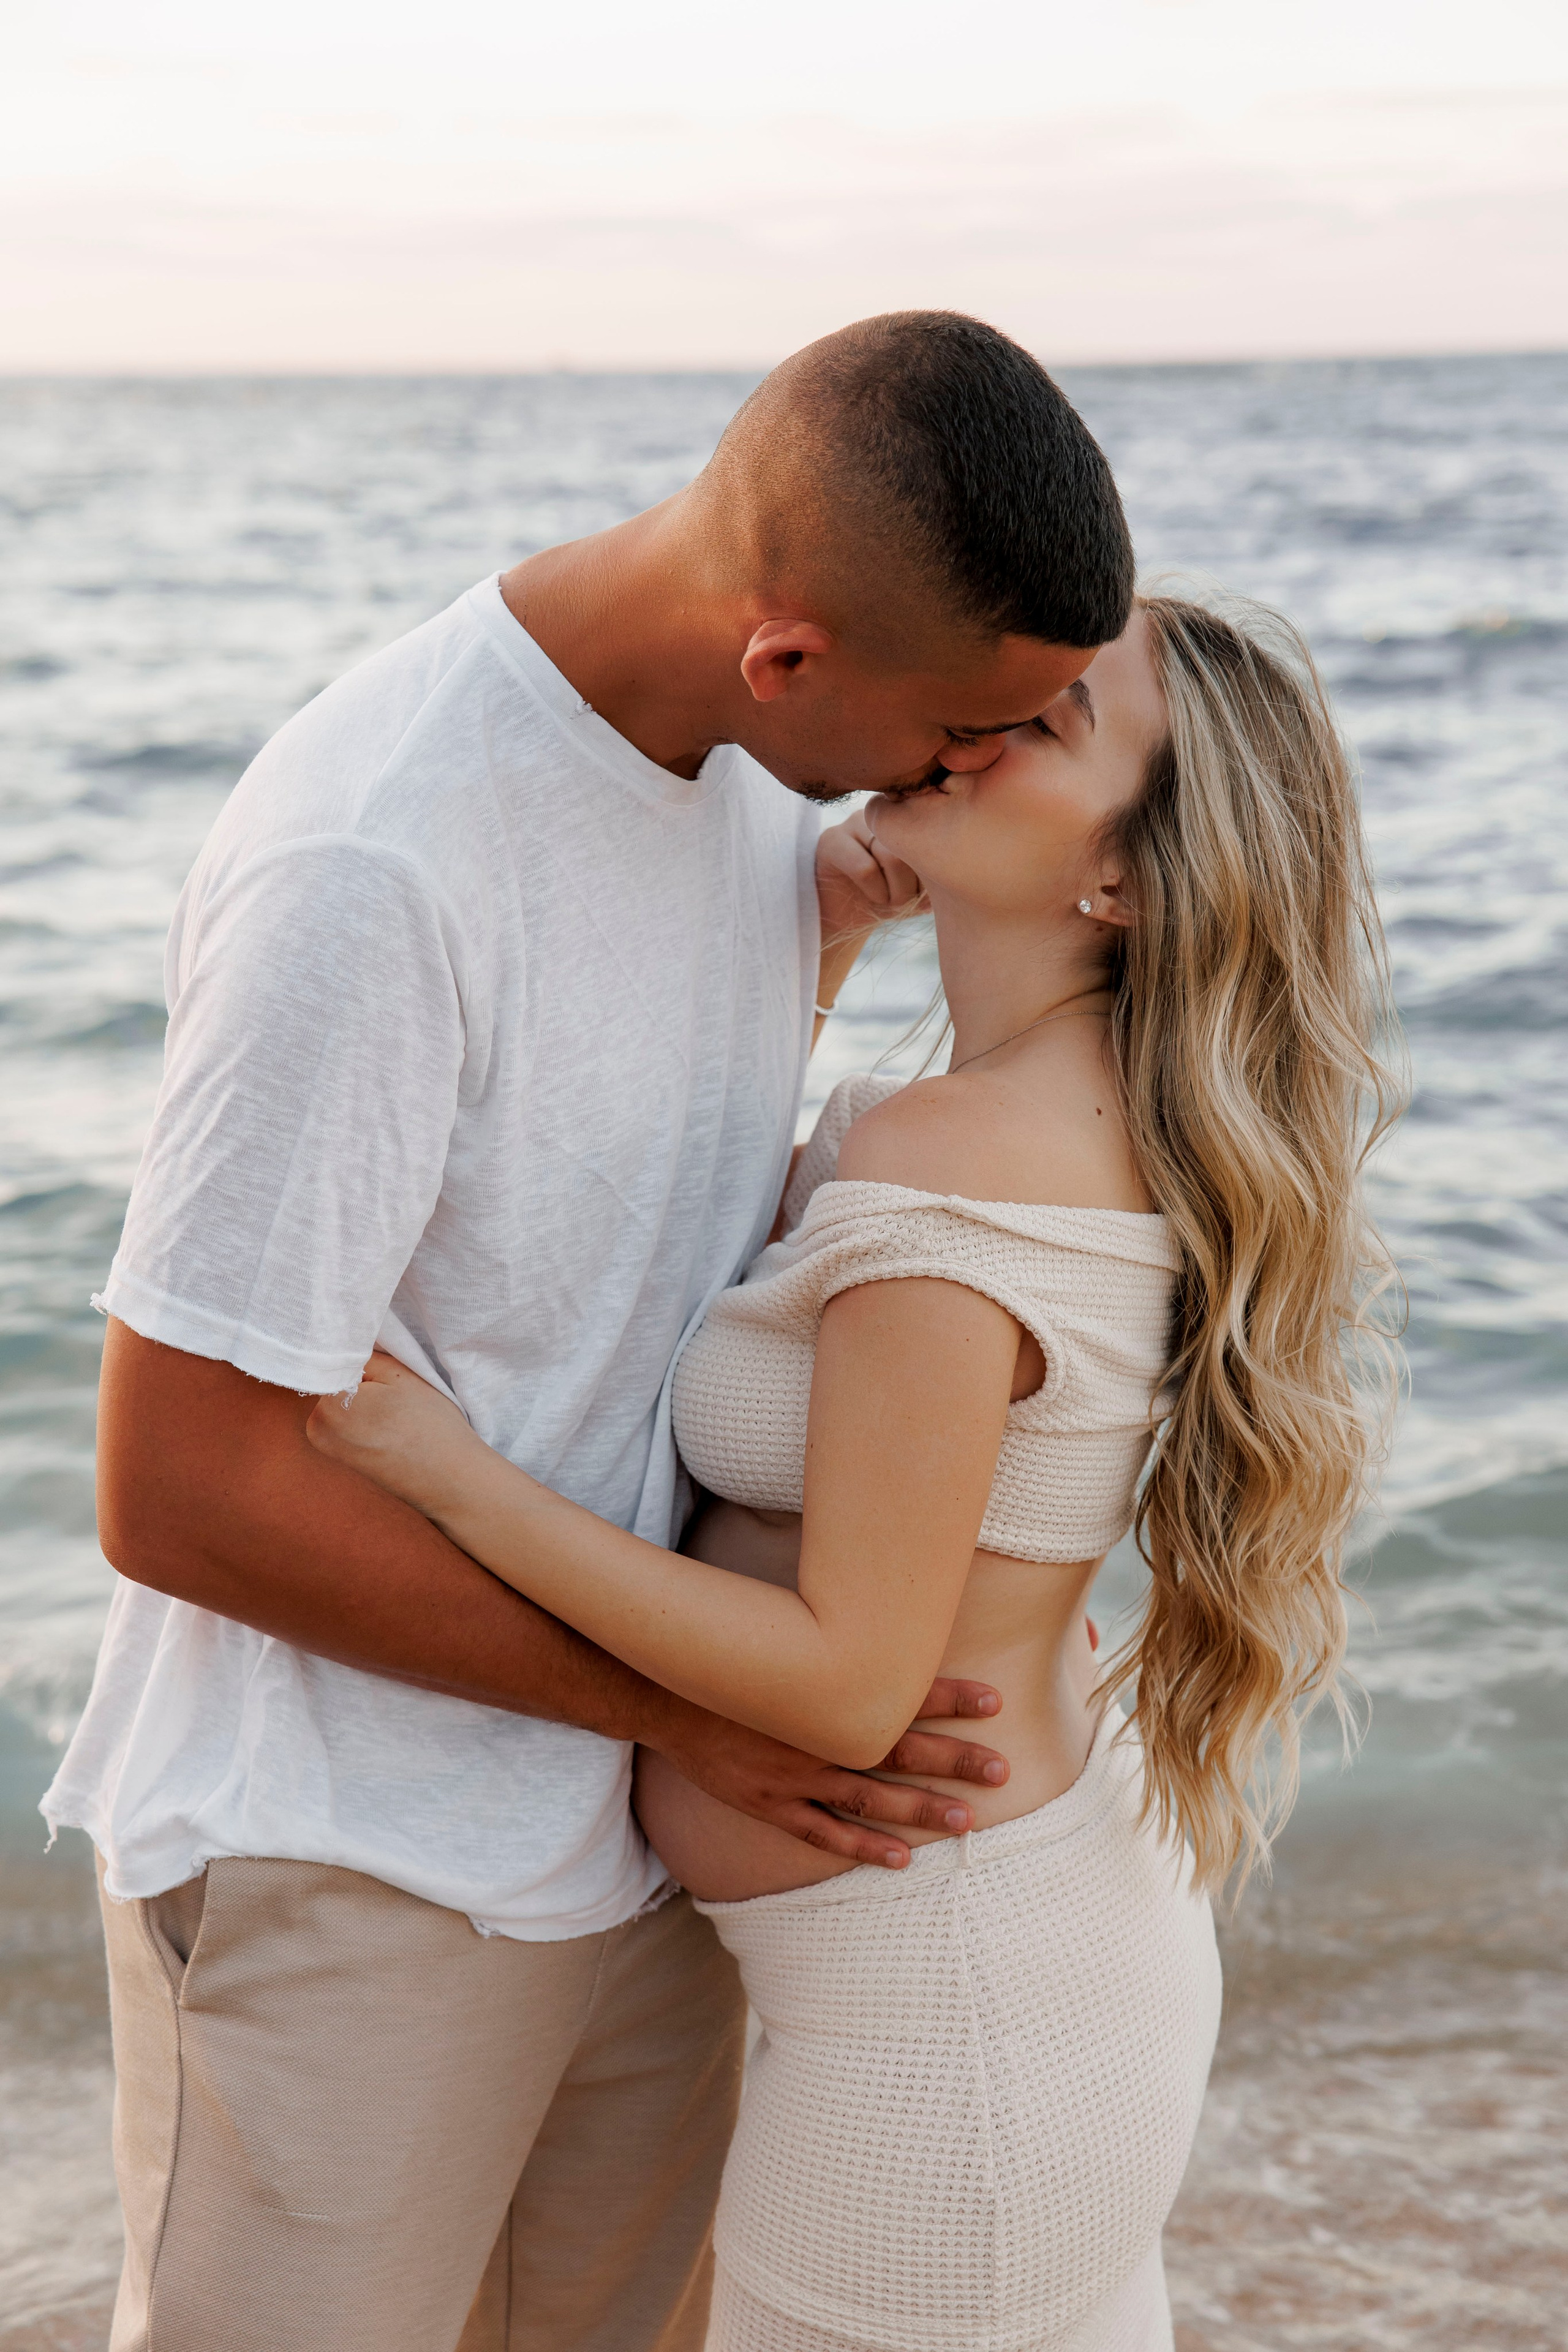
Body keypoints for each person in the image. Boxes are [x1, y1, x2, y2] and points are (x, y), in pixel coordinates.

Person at [42, 313, 1138, 2351]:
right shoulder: (380, 858)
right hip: (358, 1856)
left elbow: (613, 1246)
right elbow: (179, 1492)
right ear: (788, 652)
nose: (967, 770)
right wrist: (693, 1716)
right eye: (955, 727)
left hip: (642, 1863)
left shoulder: (751, 785)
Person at [310, 589, 1405, 2352]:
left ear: (1120, 879)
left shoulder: (954, 1160)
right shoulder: (1073, 1108)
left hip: (950, 2031)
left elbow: (846, 1682)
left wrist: (442, 1473)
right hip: (1025, 1967)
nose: (966, 725)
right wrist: (821, 939)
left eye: (1042, 724)